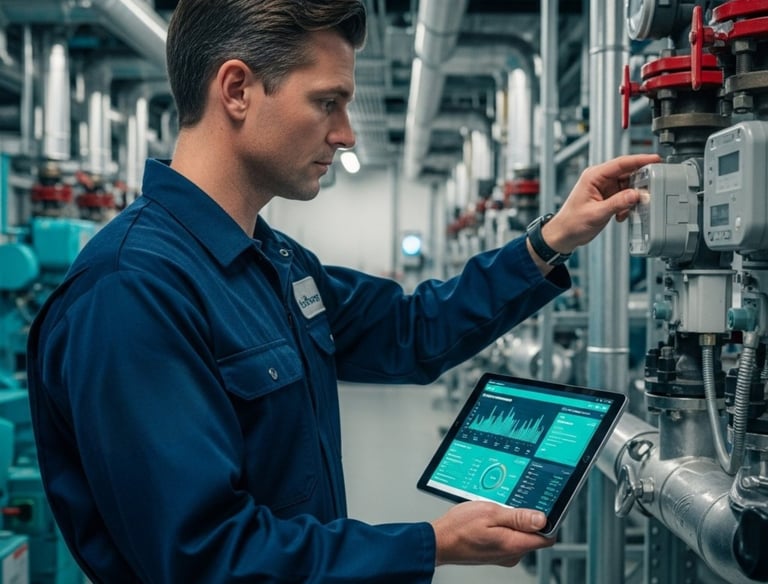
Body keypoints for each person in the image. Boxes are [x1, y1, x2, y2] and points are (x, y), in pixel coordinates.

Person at [25, 0, 660, 581]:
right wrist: (427, 544)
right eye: (327, 102)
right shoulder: (133, 291)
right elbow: (206, 558)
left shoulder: (273, 262)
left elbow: (410, 333)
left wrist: (550, 240)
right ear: (238, 89)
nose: (347, 133)